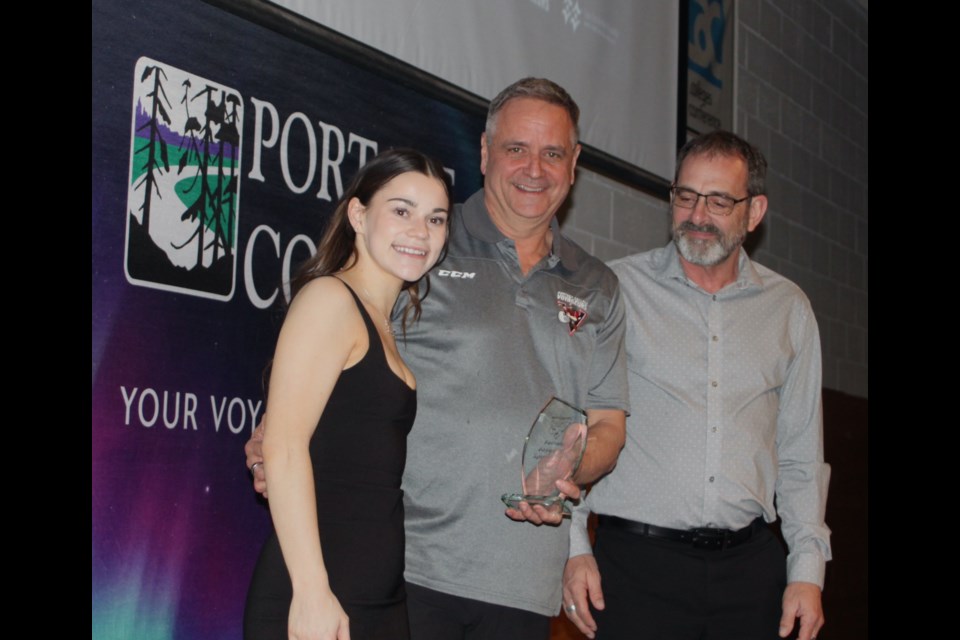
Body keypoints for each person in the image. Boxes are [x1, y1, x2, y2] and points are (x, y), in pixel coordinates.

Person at [247, 77, 629, 640]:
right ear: (484, 152)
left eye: (553, 153)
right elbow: (334, 366)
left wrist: (566, 475)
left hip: (523, 580)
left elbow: (609, 427)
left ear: (574, 164)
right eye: (515, 148)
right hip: (412, 568)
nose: (534, 169)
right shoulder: (421, 250)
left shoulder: (598, 286)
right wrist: (276, 436)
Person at [561, 130, 831, 640]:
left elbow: (800, 458)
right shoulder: (613, 291)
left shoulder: (789, 309)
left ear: (754, 213)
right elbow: (572, 426)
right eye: (685, 197)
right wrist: (574, 547)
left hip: (751, 576)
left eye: (719, 201)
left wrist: (807, 572)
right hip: (635, 573)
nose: (698, 215)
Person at [243, 148, 453, 640]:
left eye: (436, 218)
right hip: (321, 594)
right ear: (359, 214)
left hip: (377, 595)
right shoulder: (330, 301)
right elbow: (284, 447)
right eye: (402, 210)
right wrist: (313, 593)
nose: (421, 231)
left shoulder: (382, 322)